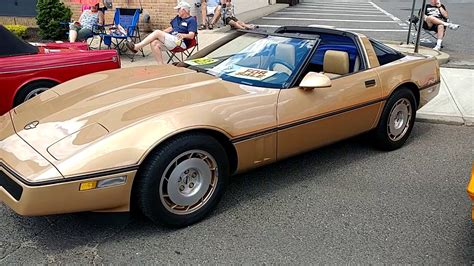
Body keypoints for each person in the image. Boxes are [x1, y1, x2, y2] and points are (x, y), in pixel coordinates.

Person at [126, 1, 197, 65]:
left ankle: (137, 47)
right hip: (172, 40)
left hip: (181, 42)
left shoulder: (191, 20)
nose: (177, 11)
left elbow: (191, 35)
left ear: (184, 10)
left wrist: (183, 35)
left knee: (157, 32)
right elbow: (171, 28)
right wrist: (161, 34)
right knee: (154, 43)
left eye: (178, 9)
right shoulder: (178, 18)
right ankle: (161, 65)